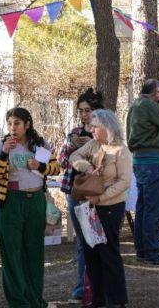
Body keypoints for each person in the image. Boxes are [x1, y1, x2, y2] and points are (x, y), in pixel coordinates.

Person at [0, 107, 62, 308]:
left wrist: (39, 166)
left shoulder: (38, 145)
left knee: (34, 251)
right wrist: (4, 154)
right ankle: (18, 302)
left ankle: (35, 299)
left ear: (27, 124)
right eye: (10, 123)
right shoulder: (1, 146)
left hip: (35, 200)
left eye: (17, 123)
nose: (13, 128)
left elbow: (56, 168)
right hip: (10, 200)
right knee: (12, 253)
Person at [70, 110, 133, 308]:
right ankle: (98, 299)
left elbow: (124, 182)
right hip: (90, 207)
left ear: (107, 127)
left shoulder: (121, 150)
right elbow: (74, 155)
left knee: (108, 253)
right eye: (92, 126)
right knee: (92, 254)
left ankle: (116, 300)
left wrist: (101, 197)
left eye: (95, 127)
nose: (92, 130)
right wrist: (86, 167)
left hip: (110, 208)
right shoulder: (94, 144)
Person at [58, 88, 104, 303]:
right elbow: (61, 161)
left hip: (95, 190)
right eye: (81, 110)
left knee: (95, 240)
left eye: (88, 110)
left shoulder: (103, 133)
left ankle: (96, 287)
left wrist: (87, 148)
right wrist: (70, 147)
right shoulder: (74, 132)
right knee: (81, 242)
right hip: (75, 189)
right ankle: (81, 288)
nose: (84, 114)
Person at [125, 79, 159, 266]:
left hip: (140, 161)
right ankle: (152, 252)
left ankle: (142, 251)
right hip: (152, 162)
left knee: (143, 208)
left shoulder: (135, 106)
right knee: (154, 209)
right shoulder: (149, 104)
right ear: (155, 94)